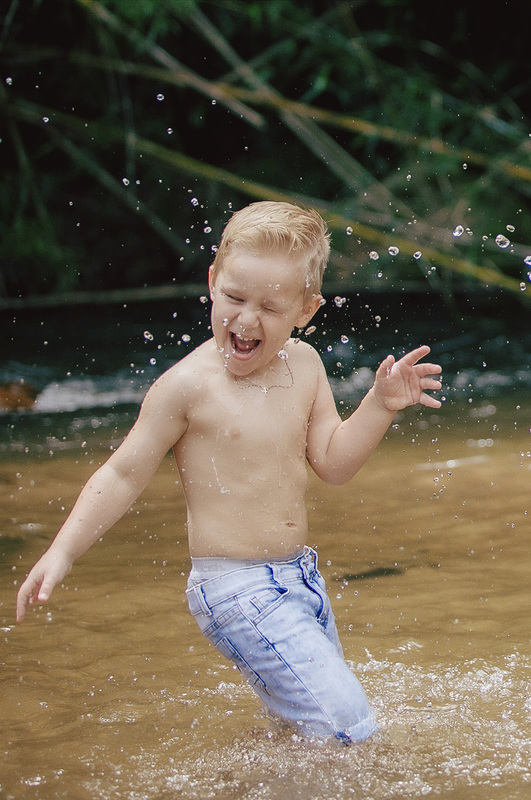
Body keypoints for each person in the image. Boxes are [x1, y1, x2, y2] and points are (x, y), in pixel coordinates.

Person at [15, 200, 444, 741]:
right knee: (346, 725)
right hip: (235, 589)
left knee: (300, 733)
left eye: (270, 307)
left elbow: (334, 464)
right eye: (235, 298)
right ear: (213, 281)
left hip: (299, 579)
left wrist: (379, 406)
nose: (245, 319)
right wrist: (62, 550)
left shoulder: (306, 365)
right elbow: (123, 473)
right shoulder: (187, 387)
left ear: (305, 310)